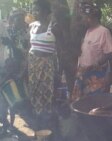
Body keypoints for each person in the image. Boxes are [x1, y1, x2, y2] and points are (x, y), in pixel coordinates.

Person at [28, 0, 62, 137]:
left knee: (49, 100)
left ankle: (52, 133)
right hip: (33, 68)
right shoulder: (32, 26)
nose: (35, 13)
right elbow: (30, 47)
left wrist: (60, 73)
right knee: (34, 98)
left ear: (46, 11)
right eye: (34, 10)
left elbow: (60, 50)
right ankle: (39, 131)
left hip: (47, 68)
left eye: (38, 10)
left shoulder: (54, 27)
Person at [71, 2, 112, 99]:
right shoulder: (86, 31)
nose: (82, 20)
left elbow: (110, 54)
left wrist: (109, 73)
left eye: (83, 17)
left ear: (90, 17)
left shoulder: (103, 32)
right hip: (82, 73)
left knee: (95, 102)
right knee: (80, 102)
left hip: (96, 75)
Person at [0, 9, 29, 133]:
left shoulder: (28, 31)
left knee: (18, 96)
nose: (16, 20)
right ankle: (7, 123)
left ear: (23, 18)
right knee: (8, 96)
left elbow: (25, 53)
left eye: (19, 17)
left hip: (22, 67)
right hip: (10, 68)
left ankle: (22, 119)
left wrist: (11, 44)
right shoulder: (10, 31)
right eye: (14, 18)